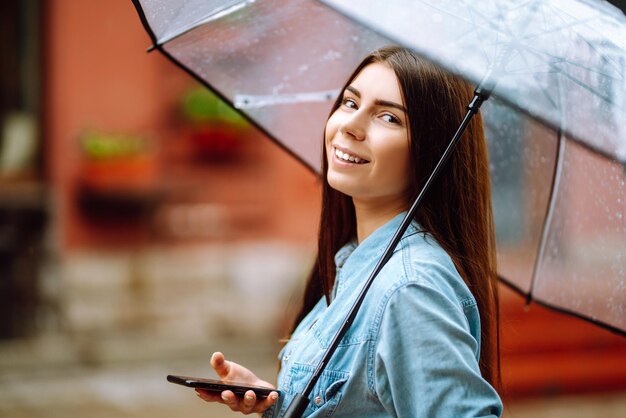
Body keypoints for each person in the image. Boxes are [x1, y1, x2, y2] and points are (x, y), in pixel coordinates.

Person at [196, 45, 503, 417]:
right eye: (350, 103)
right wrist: (279, 404)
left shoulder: (410, 289)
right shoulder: (355, 262)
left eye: (389, 118)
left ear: (432, 148)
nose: (351, 126)